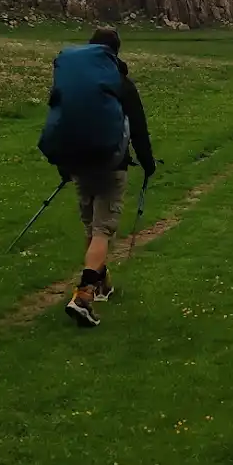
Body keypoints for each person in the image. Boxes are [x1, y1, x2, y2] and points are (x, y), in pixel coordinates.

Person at [38, 26, 156, 328]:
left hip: (78, 163)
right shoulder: (120, 82)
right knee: (103, 230)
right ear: (115, 51)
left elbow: (59, 115)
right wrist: (147, 163)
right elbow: (138, 128)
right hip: (111, 165)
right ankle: (84, 295)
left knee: (92, 226)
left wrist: (66, 165)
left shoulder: (73, 77)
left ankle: (103, 284)